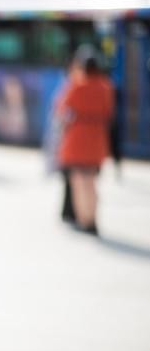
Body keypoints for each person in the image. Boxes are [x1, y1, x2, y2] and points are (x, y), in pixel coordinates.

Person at [57, 56, 114, 236]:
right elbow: (109, 112)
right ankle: (93, 219)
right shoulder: (106, 87)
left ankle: (83, 219)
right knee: (91, 182)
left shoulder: (76, 85)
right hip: (97, 138)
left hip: (77, 138)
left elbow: (62, 110)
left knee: (78, 182)